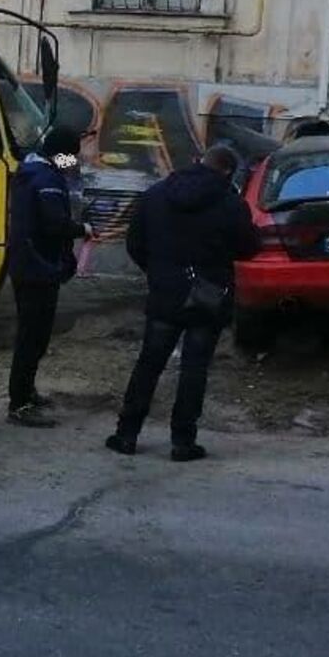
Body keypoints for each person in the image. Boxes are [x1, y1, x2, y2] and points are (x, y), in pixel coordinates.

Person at [106, 145, 260, 462]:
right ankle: (182, 441)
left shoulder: (156, 194)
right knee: (195, 368)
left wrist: (159, 270)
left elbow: (135, 242)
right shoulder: (231, 203)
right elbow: (248, 247)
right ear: (228, 171)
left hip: (165, 291)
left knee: (149, 364)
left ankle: (126, 434)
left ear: (198, 161)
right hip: (208, 294)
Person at [5, 126, 88, 427]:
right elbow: (55, 225)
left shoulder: (28, 172)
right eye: (71, 157)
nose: (73, 163)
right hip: (39, 268)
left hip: (28, 264)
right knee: (33, 338)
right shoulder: (47, 180)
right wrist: (83, 229)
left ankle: (25, 392)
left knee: (32, 336)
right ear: (60, 154)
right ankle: (20, 403)